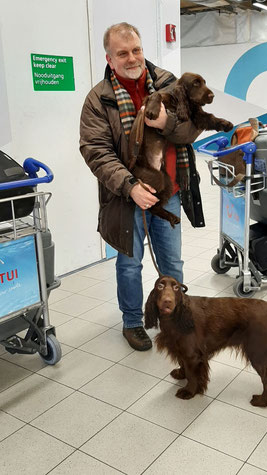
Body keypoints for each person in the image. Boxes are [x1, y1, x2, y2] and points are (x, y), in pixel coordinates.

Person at [79, 23, 205, 351]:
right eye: (123, 53)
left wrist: (167, 123)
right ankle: (133, 321)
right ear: (110, 59)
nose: (132, 57)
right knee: (129, 264)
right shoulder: (98, 100)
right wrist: (130, 186)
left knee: (172, 263)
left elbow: (193, 128)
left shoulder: (169, 84)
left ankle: (174, 318)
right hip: (126, 198)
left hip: (169, 192)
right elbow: (96, 150)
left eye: (136, 49)